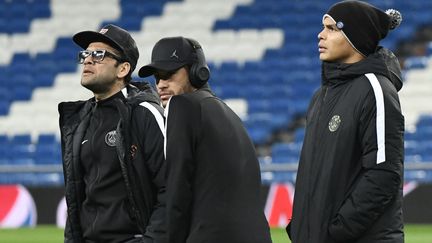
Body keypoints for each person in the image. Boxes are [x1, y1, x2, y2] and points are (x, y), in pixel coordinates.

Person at [287, 1, 405, 242]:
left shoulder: (376, 89)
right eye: (323, 27)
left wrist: (337, 231)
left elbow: (384, 174)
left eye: (331, 29)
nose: (320, 35)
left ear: (355, 37)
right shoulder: (321, 96)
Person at [138, 36, 272, 243]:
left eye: (169, 74)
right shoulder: (228, 112)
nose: (161, 85)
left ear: (197, 72)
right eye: (157, 78)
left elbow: (177, 190)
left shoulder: (181, 105)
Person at [58, 24, 167, 243]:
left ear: (123, 69)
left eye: (98, 55)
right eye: (86, 54)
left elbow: (170, 187)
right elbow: (76, 196)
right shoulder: (78, 120)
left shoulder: (144, 114)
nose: (88, 60)